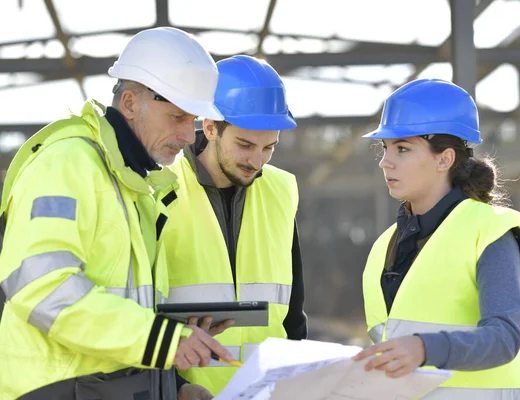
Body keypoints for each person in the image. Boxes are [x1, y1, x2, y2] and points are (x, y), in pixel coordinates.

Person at [0, 27, 233, 400]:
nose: (189, 137)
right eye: (176, 117)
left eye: (191, 122)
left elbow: (123, 310)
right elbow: (42, 289)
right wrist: (161, 339)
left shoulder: (135, 183)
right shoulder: (67, 165)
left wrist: (174, 383)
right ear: (129, 103)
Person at [352, 79, 520, 399]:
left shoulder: (490, 231)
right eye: (384, 149)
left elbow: (504, 339)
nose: (386, 161)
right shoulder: (385, 246)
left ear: (445, 159)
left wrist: (426, 348)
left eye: (402, 148)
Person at [162, 55, 308, 395]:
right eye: (244, 145)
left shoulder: (281, 191)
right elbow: (136, 310)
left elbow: (293, 314)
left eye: (268, 148)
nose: (256, 161)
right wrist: (176, 388)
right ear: (211, 126)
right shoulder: (159, 188)